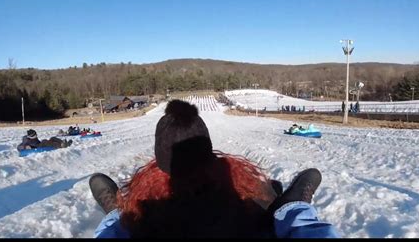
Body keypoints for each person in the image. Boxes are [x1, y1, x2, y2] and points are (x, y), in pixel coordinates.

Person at [90, 100, 339, 238]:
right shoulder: (237, 188)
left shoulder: (147, 204)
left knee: (119, 229)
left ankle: (115, 215)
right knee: (298, 226)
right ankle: (293, 209)